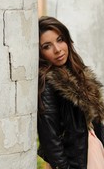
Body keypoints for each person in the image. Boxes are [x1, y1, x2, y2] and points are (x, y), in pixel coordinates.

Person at [38, 16, 104, 169]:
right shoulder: (48, 84)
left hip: (93, 150)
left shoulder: (79, 74)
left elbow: (95, 122)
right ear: (40, 53)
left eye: (60, 40)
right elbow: (50, 138)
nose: (57, 49)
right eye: (47, 46)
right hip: (77, 161)